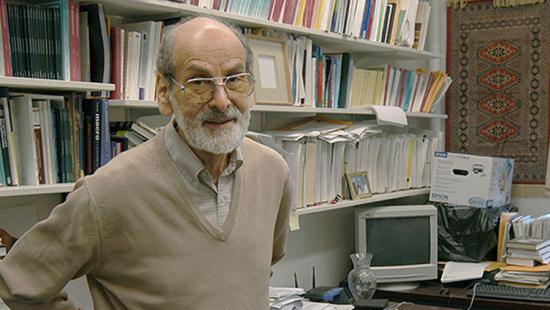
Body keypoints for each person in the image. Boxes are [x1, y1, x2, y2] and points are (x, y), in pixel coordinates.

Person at [0, 16, 291, 309]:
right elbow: (19, 284)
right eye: (199, 82)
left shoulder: (273, 171)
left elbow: (262, 264)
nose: (222, 100)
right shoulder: (106, 193)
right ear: (164, 93)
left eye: (235, 79)